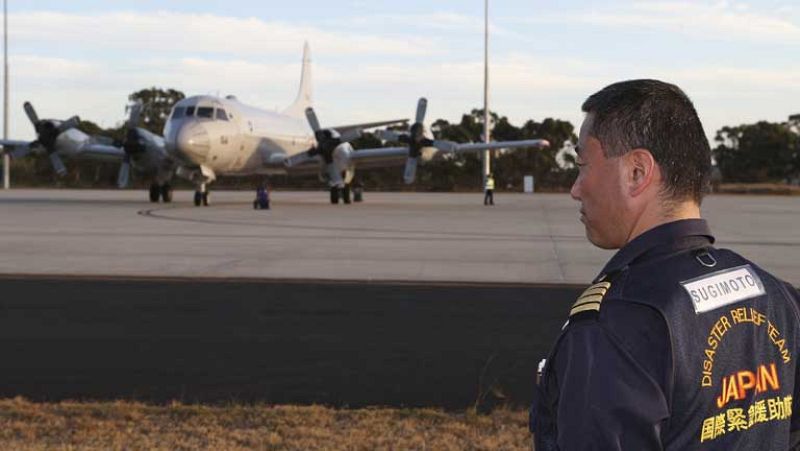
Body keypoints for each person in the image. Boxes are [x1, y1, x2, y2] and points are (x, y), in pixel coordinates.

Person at [530, 79, 800, 450]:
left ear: (637, 172)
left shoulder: (617, 326)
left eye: (582, 165)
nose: (576, 188)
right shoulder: (777, 297)